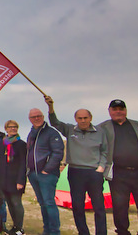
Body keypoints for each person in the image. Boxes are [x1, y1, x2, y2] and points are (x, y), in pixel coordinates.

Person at [45, 96, 107, 235]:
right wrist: (50, 107)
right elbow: (55, 123)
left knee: (99, 207)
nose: (83, 121)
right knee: (78, 207)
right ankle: (83, 232)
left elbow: (105, 152)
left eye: (85, 118)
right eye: (80, 118)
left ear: (90, 118)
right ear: (76, 119)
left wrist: (100, 168)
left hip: (94, 173)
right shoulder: (70, 130)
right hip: (75, 172)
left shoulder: (100, 132)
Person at [97, 99, 138, 235]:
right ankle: (123, 232)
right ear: (109, 111)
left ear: (125, 110)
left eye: (121, 109)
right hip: (119, 174)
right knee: (120, 208)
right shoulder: (102, 128)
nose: (118, 111)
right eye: (115, 109)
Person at [26, 108, 64, 235]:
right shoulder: (31, 133)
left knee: (49, 203)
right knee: (43, 204)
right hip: (33, 174)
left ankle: (54, 231)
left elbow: (58, 153)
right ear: (29, 119)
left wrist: (47, 169)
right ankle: (46, 230)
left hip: (47, 175)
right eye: (33, 117)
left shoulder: (51, 133)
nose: (36, 118)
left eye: (38, 116)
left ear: (43, 117)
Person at [0, 120, 27, 235]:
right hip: (4, 180)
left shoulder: (21, 144)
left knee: (16, 203)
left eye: (15, 127)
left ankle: (20, 228)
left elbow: (23, 164)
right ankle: (15, 226)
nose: (13, 129)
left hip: (16, 180)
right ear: (6, 129)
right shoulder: (3, 143)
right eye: (10, 127)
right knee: (9, 204)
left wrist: (21, 181)